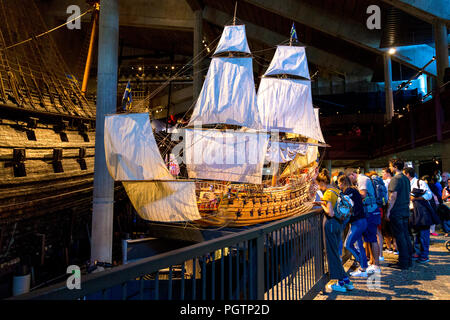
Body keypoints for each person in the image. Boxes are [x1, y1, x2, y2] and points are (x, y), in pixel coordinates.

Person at [315, 169, 353, 292]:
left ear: (321, 182)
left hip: (330, 224)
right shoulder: (336, 190)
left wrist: (321, 205)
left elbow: (330, 213)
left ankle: (340, 283)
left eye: (318, 184)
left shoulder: (327, 193)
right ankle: (346, 281)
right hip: (339, 224)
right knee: (336, 252)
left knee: (332, 254)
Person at [345, 168, 381, 274]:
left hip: (371, 211)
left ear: (352, 174)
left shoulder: (362, 180)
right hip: (370, 211)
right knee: (369, 238)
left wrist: (353, 194)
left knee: (372, 238)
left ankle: (376, 265)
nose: (350, 181)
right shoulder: (362, 179)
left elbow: (363, 194)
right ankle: (372, 262)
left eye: (349, 178)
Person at [338, 175, 369, 277]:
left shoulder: (348, 192)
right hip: (361, 221)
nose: (338, 185)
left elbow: (346, 206)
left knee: (348, 244)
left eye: (339, 183)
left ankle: (363, 264)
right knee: (359, 245)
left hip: (357, 222)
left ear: (342, 182)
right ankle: (363, 269)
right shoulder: (354, 190)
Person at [385, 159, 413, 270]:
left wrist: (388, 211)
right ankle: (408, 259)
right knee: (406, 236)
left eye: (391, 166)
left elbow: (393, 196)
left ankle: (403, 262)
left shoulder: (395, 179)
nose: (390, 168)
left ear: (395, 166)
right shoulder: (406, 179)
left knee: (400, 237)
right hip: (405, 210)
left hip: (397, 211)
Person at [403, 167, 432, 263]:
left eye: (404, 174)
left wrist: (416, 198)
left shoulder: (420, 182)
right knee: (414, 233)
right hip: (411, 211)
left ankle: (424, 255)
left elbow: (429, 195)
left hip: (422, 211)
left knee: (423, 234)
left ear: (407, 174)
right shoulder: (406, 184)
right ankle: (416, 252)